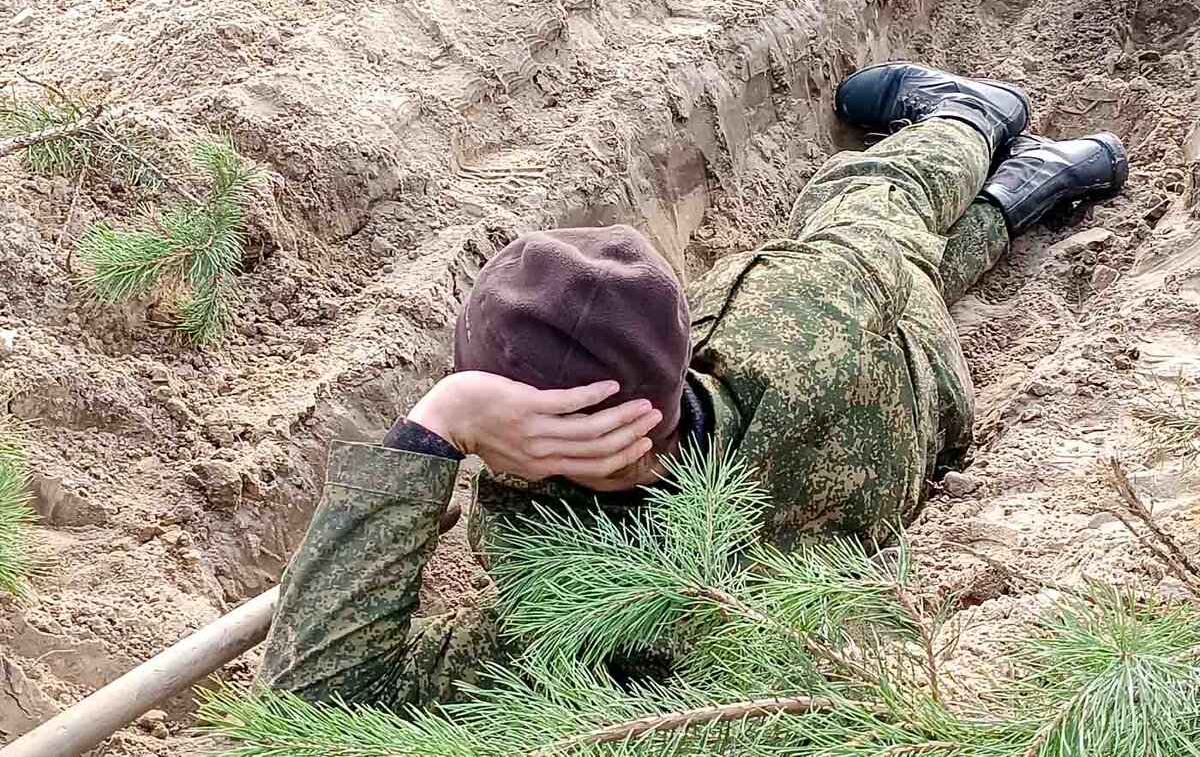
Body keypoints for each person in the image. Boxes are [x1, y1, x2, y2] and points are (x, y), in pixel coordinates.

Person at [256, 62, 1128, 708]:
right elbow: (877, 234)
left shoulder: (603, 609)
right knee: (875, 207)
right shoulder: (782, 321)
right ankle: (977, 124)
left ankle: (1020, 181)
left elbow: (309, 699)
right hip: (907, 369)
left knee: (895, 242)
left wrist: (435, 427)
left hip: (933, 410)